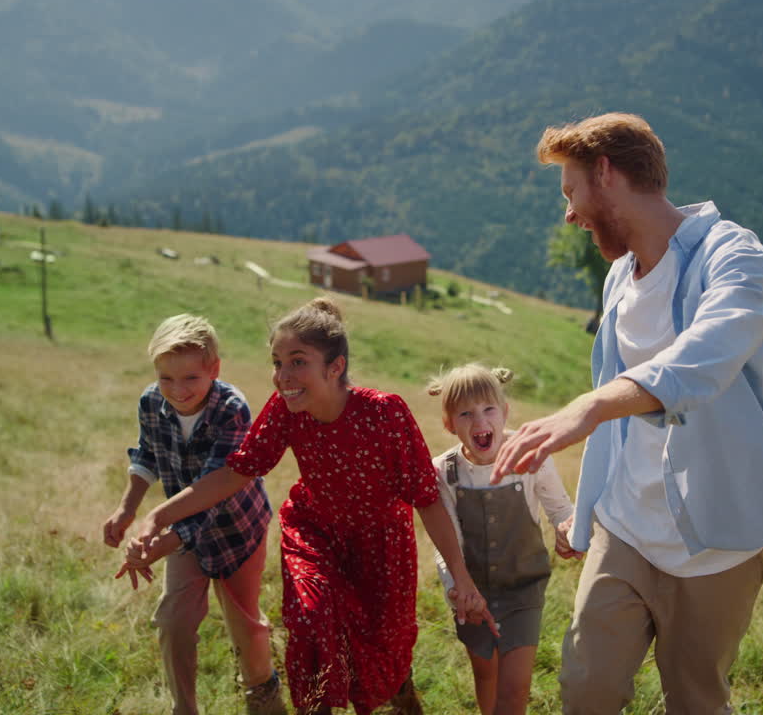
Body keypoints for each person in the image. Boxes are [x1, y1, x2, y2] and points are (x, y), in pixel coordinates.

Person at [491, 113, 763, 715]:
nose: (568, 213)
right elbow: (625, 420)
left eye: (571, 191)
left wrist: (590, 405)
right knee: (585, 692)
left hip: (716, 546)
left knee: (694, 701)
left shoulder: (737, 259)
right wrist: (584, 512)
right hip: (626, 530)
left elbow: (704, 357)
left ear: (607, 174)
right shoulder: (619, 276)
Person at [131, 297, 495, 715]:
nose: (283, 376)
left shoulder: (385, 413)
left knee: (384, 650)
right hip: (314, 533)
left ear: (335, 366)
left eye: (297, 362)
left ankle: (400, 692)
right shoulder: (287, 410)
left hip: (381, 544)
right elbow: (236, 472)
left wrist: (462, 578)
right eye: (277, 362)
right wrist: (158, 515)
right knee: (309, 620)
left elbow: (426, 500)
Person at [105, 314, 285, 715]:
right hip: (182, 530)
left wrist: (161, 537)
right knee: (173, 621)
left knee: (244, 626)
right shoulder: (152, 401)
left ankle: (264, 700)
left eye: (190, 378)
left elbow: (218, 489)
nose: (177, 390)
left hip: (237, 530)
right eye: (167, 378)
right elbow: (147, 455)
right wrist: (126, 508)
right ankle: (183, 707)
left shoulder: (231, 409)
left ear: (214, 370)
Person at [426, 364, 576, 715]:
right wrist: (456, 589)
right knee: (486, 674)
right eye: (465, 414)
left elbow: (561, 509)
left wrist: (566, 530)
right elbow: (445, 541)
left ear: (505, 412)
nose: (480, 422)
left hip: (524, 588)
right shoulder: (443, 472)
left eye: (488, 409)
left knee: (515, 687)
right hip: (471, 592)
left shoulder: (530, 456)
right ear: (449, 424)